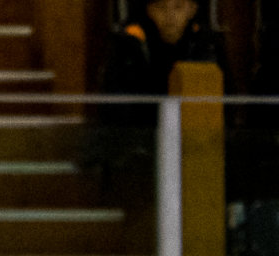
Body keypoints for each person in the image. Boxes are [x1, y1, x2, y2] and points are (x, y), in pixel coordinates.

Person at [94, 0, 226, 193]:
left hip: (196, 157)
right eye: (161, 8)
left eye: (178, 7)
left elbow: (226, 105)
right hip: (140, 160)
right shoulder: (128, 44)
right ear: (149, 10)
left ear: (192, 10)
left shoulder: (208, 44)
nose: (170, 17)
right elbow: (115, 112)